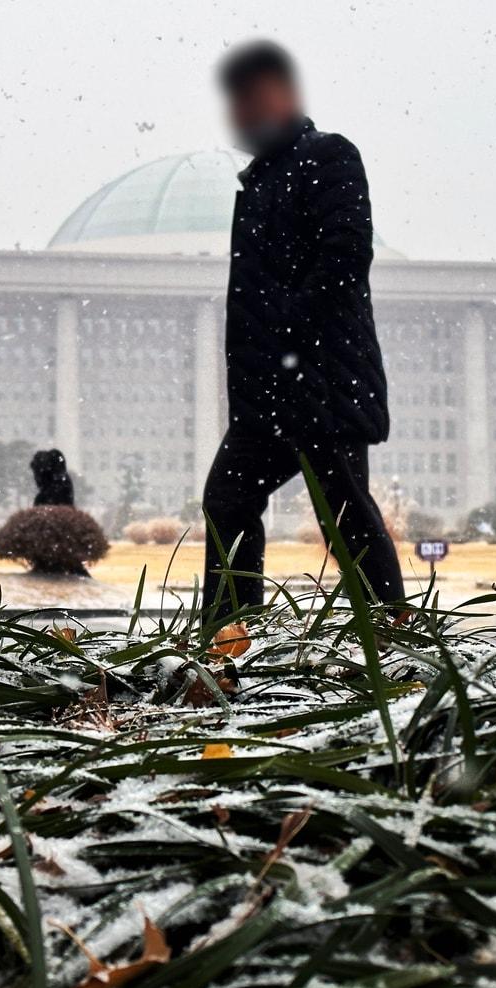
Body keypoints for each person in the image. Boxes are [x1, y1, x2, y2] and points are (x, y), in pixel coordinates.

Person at [202, 40, 404, 612]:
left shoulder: (328, 156)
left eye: (251, 97)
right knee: (227, 499)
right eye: (235, 102)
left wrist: (291, 332)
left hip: (321, 379)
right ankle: (230, 634)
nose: (241, 113)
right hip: (267, 389)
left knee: (342, 512)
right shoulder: (258, 182)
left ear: (285, 95)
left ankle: (390, 635)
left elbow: (344, 255)